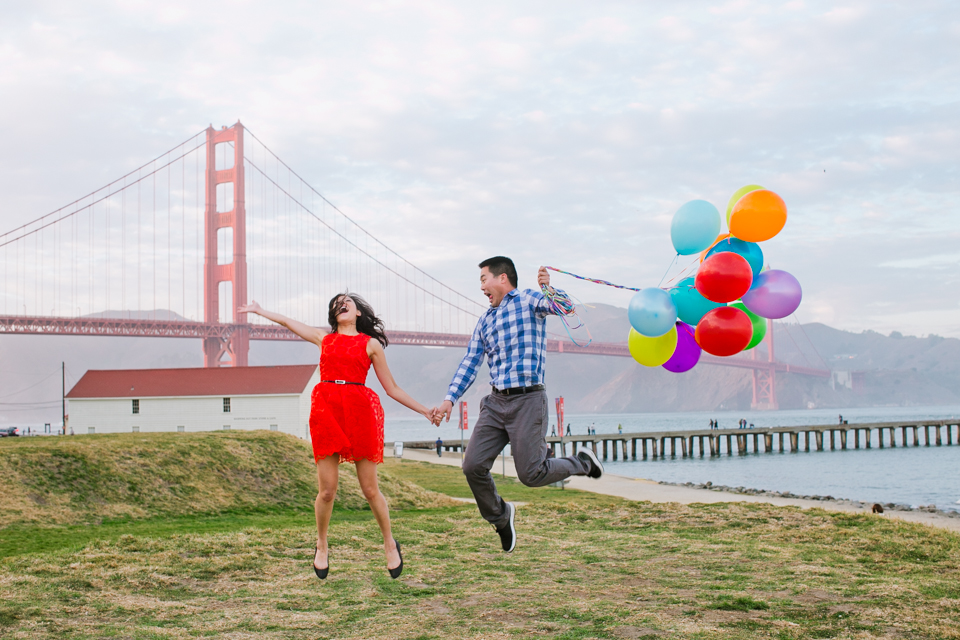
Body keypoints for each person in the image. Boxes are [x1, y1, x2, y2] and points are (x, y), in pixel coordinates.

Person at [239, 295, 438, 580]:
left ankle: (390, 543)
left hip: (359, 413)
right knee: (327, 491)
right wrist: (259, 310)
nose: (341, 305)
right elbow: (286, 322)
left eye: (347, 302)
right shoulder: (324, 338)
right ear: (334, 315)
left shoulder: (370, 345)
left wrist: (424, 411)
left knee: (370, 490)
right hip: (327, 411)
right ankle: (321, 543)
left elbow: (392, 388)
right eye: (336, 304)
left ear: (357, 312)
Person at [435, 258, 603, 553]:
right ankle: (501, 517)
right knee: (472, 466)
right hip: (496, 402)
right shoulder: (485, 320)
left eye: (484, 279)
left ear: (502, 278)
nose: (481, 287)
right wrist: (450, 398)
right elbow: (471, 361)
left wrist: (548, 289)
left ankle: (583, 463)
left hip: (528, 400)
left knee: (531, 474)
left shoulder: (527, 299)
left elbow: (566, 309)